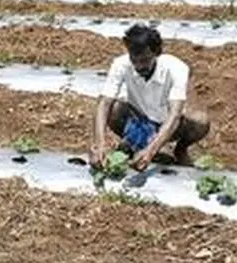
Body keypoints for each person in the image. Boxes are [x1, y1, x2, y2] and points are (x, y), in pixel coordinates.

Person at [89, 24, 210, 171]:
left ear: (156, 53)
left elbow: (174, 115)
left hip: (168, 124)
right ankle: (131, 143)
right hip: (137, 119)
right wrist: (99, 144)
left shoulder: (176, 69)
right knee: (114, 108)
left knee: (200, 121)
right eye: (134, 60)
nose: (139, 66)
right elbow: (104, 103)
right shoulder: (121, 64)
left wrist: (150, 152)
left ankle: (179, 150)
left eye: (145, 60)